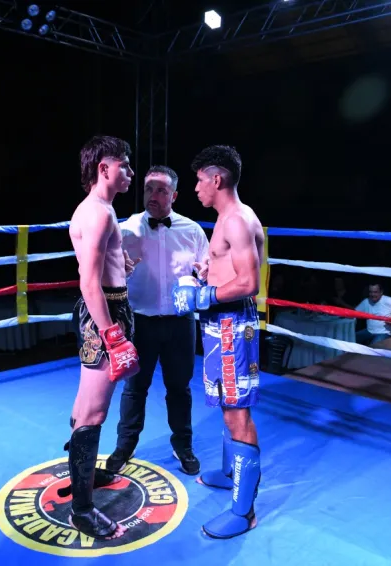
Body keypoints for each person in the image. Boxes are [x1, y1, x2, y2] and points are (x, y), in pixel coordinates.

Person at [172, 145, 263, 540]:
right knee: (227, 404)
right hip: (219, 323)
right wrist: (206, 273)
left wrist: (203, 296)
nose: (195, 188)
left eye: (198, 180)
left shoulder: (237, 220)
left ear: (217, 178)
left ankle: (244, 513)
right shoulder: (226, 219)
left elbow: (249, 283)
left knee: (236, 414)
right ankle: (229, 474)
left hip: (232, 324)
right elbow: (230, 270)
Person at [106, 165, 209, 476]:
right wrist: (120, 273)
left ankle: (183, 445)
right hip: (140, 321)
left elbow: (207, 269)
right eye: (149, 188)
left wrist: (203, 277)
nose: (153, 195)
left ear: (174, 195)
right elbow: (110, 273)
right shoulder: (127, 229)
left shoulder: (192, 230)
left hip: (180, 322)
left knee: (180, 388)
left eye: (161, 190)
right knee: (135, 388)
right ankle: (125, 445)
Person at [65, 135, 140, 540]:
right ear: (104, 168)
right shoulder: (96, 213)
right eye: (125, 164)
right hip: (104, 314)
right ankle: (82, 511)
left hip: (110, 308)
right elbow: (89, 283)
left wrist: (121, 268)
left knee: (86, 407)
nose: (130, 172)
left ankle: (83, 475)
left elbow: (101, 273)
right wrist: (112, 334)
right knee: (93, 412)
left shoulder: (102, 210)